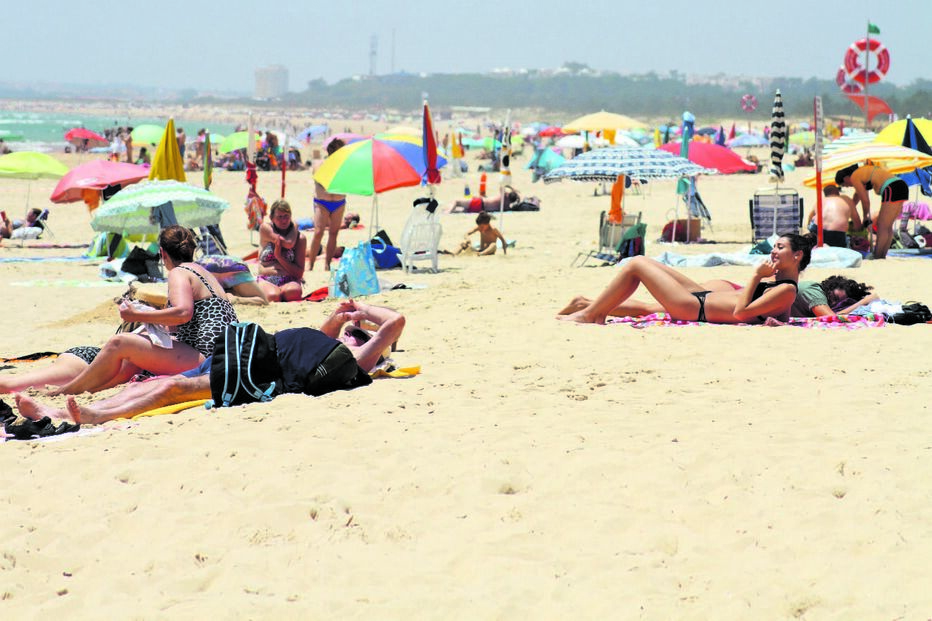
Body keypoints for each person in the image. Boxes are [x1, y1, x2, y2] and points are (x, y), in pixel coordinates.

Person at [14, 302, 406, 425]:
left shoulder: (357, 360)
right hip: (247, 348)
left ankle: (89, 415)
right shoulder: (327, 339)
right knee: (145, 385)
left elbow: (395, 323)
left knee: (172, 389)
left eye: (360, 333)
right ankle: (59, 410)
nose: (354, 331)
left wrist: (361, 310)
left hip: (260, 372)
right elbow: (330, 325)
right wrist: (343, 319)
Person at [30, 226, 238, 396]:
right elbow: (184, 322)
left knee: (119, 342)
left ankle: (68, 390)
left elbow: (184, 312)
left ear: (163, 254)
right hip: (222, 352)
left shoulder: (178, 273)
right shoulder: (203, 272)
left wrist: (136, 315)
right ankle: (93, 389)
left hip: (206, 356)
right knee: (134, 354)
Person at [559, 232, 814, 325]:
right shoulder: (781, 286)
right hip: (701, 298)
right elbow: (778, 315)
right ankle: (587, 305)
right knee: (647, 262)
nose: (773, 251)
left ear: (797, 255)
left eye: (780, 247)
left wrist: (756, 277)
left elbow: (740, 313)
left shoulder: (788, 289)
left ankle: (592, 314)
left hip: (695, 309)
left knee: (636, 264)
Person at [835, 163, 909, 259]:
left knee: (882, 226)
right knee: (887, 226)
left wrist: (865, 216)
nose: (848, 187)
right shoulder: (862, 172)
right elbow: (857, 196)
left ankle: (877, 256)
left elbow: (865, 201)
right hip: (900, 185)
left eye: (845, 185)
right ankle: (882, 255)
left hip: (891, 188)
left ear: (845, 178)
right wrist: (850, 208)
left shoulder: (854, 177)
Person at [308, 139, 347, 271]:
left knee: (333, 233)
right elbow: (321, 180)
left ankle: (327, 264)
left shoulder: (344, 167)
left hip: (339, 202)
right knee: (318, 232)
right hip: (322, 202)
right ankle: (311, 264)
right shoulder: (320, 164)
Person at [257, 199, 306, 302]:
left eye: (286, 217)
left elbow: (299, 273)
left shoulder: (300, 239)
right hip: (267, 278)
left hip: (290, 278)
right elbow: (287, 243)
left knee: (292, 293)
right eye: (279, 217)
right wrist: (295, 226)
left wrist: (279, 257)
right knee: (272, 296)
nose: (283, 220)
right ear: (271, 218)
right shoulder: (266, 229)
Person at [790, 275, 878, 318]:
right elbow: (832, 318)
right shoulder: (813, 292)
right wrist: (863, 302)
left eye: (838, 303)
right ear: (830, 287)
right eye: (835, 298)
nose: (833, 303)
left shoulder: (816, 290)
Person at [450, 186, 520, 214]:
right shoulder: (506, 207)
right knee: (462, 211)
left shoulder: (503, 196)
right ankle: (450, 211)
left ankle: (448, 212)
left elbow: (502, 185)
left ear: (508, 194)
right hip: (481, 210)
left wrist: (512, 189)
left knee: (457, 202)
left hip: (480, 202)